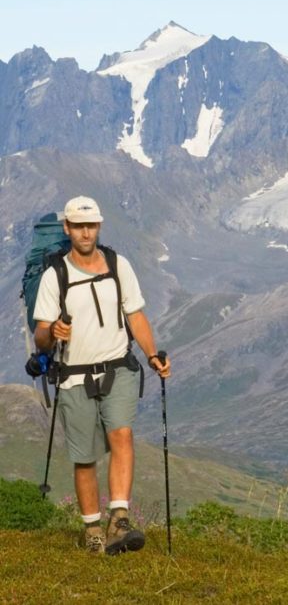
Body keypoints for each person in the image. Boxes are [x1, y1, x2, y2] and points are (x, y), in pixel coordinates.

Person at [33, 196, 171, 555]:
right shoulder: (55, 275)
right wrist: (54, 333)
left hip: (117, 367)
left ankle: (119, 518)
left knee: (122, 435)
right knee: (85, 456)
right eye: (78, 225)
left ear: (99, 226)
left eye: (91, 225)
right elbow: (41, 334)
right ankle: (93, 529)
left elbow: (135, 315)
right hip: (74, 376)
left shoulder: (117, 264)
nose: (85, 232)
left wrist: (152, 355)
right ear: (67, 228)